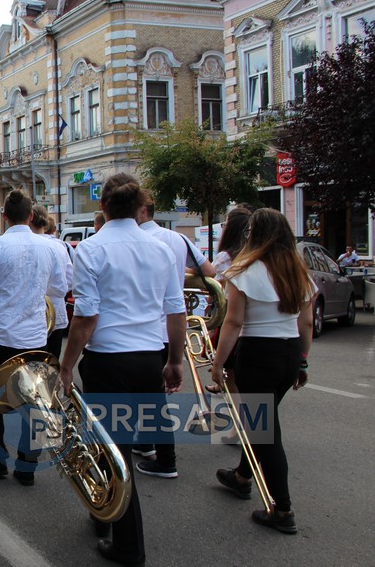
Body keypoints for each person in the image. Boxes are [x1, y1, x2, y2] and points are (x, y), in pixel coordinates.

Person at [59, 173, 186, 565]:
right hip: (149, 358)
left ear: (103, 206)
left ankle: (128, 546)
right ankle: (103, 513)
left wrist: (66, 367)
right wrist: (175, 360)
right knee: (117, 449)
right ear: (140, 207)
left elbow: (85, 318)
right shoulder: (161, 248)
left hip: (109, 361)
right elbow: (176, 311)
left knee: (115, 454)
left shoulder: (92, 248)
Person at [211, 208, 315, 535]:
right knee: (262, 422)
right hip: (288, 352)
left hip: (257, 353)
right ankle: (242, 476)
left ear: (254, 234)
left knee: (265, 430)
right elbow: (306, 323)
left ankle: (282, 508)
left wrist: (218, 363)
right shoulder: (298, 271)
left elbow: (233, 323)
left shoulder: (244, 271)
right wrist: (302, 360)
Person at [0, 190, 68, 484]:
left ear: (4, 217)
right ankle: (27, 465)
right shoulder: (50, 247)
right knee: (35, 402)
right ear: (31, 216)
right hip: (35, 337)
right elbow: (60, 288)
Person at [131, 193, 215, 478]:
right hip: (172, 327)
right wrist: (181, 271)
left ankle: (166, 459)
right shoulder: (179, 239)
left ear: (142, 212)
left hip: (146, 327)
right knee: (151, 392)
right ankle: (145, 444)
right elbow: (210, 271)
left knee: (151, 397)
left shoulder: (137, 241)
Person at [206, 206, 253, 397]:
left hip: (227, 313)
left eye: (225, 224)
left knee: (229, 367)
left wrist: (209, 302)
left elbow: (213, 288)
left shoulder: (226, 256)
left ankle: (237, 408)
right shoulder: (253, 254)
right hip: (250, 315)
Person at [31, 205, 73, 361]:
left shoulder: (29, 244)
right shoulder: (59, 246)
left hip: (32, 315)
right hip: (55, 312)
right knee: (52, 362)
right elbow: (70, 279)